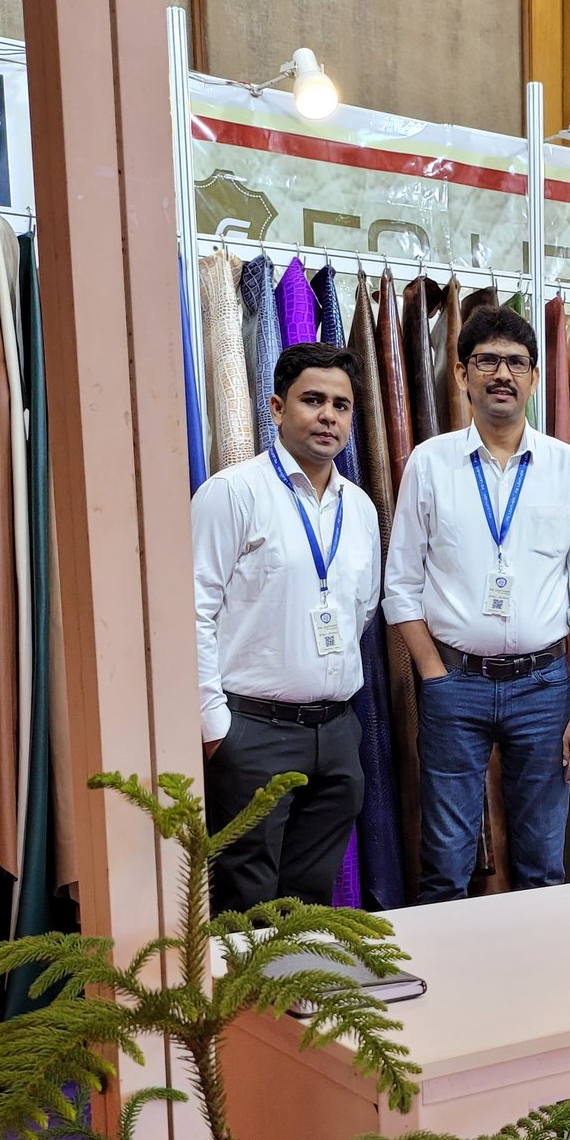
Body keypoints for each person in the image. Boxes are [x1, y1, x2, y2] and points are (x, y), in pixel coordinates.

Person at [384, 306, 570, 902]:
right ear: (462, 373)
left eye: (516, 362)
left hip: (543, 687)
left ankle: (534, 963)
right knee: (445, 862)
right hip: (454, 684)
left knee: (542, 863)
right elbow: (400, 587)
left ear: (534, 376)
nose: (502, 374)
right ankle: (448, 962)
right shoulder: (430, 463)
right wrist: (433, 676)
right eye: (487, 361)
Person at [191, 341, 380, 912]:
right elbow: (193, 611)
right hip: (253, 732)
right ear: (276, 408)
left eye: (341, 406)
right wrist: (216, 730)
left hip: (337, 731)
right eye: (312, 400)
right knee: (244, 900)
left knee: (309, 902)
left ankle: (301, 978)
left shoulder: (360, 507)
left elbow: (363, 609)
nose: (328, 417)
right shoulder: (233, 493)